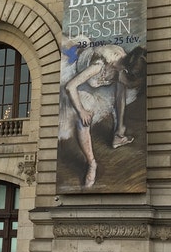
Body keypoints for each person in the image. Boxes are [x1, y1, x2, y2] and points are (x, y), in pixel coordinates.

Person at [61, 42, 146, 187]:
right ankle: (92, 163)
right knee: (83, 121)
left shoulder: (125, 64)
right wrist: (81, 111)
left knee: (121, 96)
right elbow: (70, 86)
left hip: (101, 84)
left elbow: (120, 98)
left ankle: (118, 136)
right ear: (124, 71)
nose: (131, 86)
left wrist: (119, 128)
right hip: (79, 80)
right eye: (130, 82)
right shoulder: (99, 65)